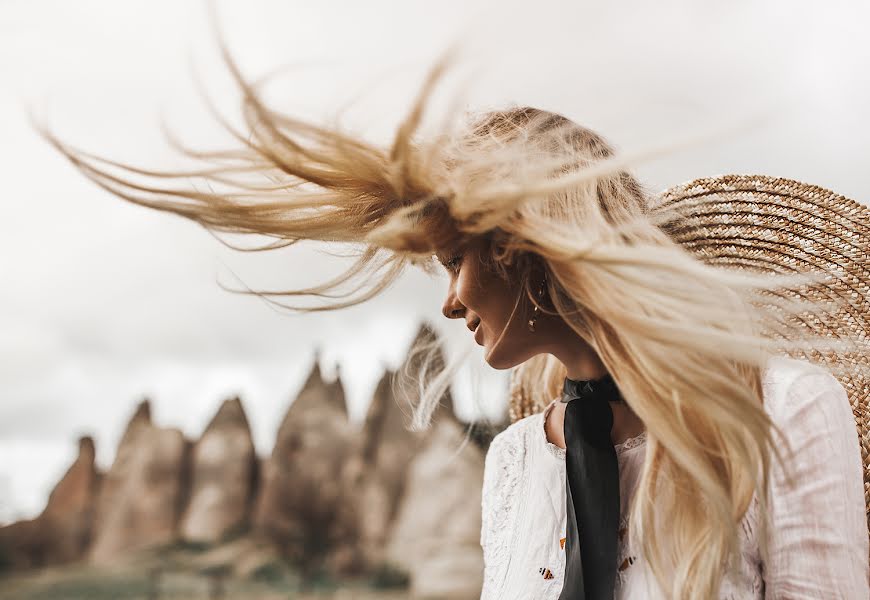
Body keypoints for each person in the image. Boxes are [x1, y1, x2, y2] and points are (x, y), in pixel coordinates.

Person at [36, 46, 869, 598]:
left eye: (453, 261)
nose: (447, 300)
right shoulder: (513, 460)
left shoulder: (785, 409)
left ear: (532, 246)